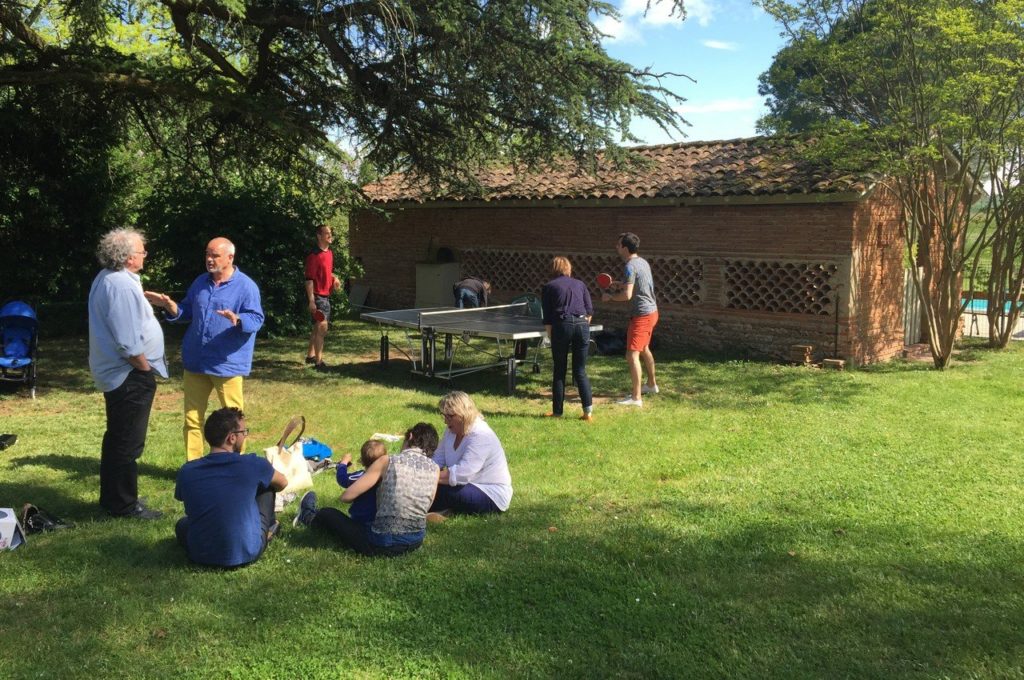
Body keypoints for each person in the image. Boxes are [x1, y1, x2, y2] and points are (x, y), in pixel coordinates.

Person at [145, 237, 265, 460]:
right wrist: (169, 305)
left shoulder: (246, 286)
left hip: (226, 364)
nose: (209, 260)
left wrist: (238, 319)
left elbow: (256, 318)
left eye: (215, 255)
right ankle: (194, 466)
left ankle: (235, 466)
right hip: (196, 361)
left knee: (233, 421)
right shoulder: (200, 282)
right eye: (207, 255)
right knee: (192, 419)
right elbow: (187, 312)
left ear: (230, 258)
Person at [88, 228, 169, 519]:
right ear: (128, 256)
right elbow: (127, 340)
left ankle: (114, 497)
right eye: (142, 250)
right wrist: (144, 367)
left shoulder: (110, 279)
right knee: (127, 441)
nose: (145, 254)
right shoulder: (120, 284)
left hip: (122, 373)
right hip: (128, 373)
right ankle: (123, 504)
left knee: (118, 437)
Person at [294, 426, 440, 557]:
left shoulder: (388, 461)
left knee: (328, 513)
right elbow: (427, 504)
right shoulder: (435, 469)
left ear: (410, 437)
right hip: (416, 541)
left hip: (382, 543)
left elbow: (347, 496)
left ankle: (307, 515)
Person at [174, 408, 288, 568]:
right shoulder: (253, 464)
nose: (245, 436)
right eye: (244, 432)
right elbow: (283, 482)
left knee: (182, 525)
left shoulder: (187, 471)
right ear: (232, 438)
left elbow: (181, 497)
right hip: (247, 552)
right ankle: (269, 527)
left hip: (199, 553)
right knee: (268, 486)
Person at [429, 391, 512, 520]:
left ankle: (416, 509)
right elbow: (438, 458)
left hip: (490, 493)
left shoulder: (481, 435)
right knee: (433, 486)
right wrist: (422, 469)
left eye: (450, 416)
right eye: (444, 416)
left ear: (463, 414)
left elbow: (463, 473)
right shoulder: (451, 431)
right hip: (464, 485)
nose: (445, 421)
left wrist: (426, 476)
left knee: (444, 491)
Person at [601, 232, 658, 407]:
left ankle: (636, 398)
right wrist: (619, 283)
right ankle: (651, 385)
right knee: (644, 349)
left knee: (631, 354)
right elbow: (634, 285)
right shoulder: (642, 262)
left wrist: (610, 297)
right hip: (653, 312)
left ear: (625, 248)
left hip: (641, 315)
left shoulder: (630, 266)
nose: (616, 247)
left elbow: (627, 295)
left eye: (618, 245)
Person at [541, 256, 594, 421]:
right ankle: (588, 413)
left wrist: (551, 335)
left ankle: (557, 412)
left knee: (559, 370)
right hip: (582, 325)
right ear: (569, 268)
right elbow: (589, 311)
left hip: (561, 325)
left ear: (554, 269)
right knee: (580, 371)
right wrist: (582, 326)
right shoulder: (580, 284)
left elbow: (548, 317)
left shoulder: (549, 286)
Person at [304, 224, 342, 371]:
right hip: (318, 297)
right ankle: (318, 363)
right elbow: (309, 280)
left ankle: (310, 356)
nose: (330, 235)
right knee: (322, 328)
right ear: (319, 236)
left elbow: (327, 272)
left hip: (326, 296)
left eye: (330, 233)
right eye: (327, 233)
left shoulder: (329, 253)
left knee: (316, 328)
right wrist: (311, 301)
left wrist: (335, 278)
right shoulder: (313, 256)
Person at [335, 439, 389, 525]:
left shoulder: (360, 477)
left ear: (362, 461)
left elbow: (342, 479)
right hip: (381, 519)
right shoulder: (388, 477)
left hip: (360, 518)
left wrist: (343, 463)